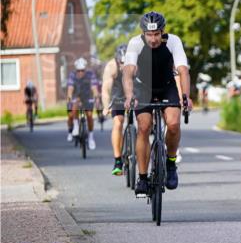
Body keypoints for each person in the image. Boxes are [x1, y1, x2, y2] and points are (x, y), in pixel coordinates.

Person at [122, 12, 192, 196]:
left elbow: (183, 70)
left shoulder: (174, 42)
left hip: (166, 86)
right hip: (143, 87)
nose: (153, 39)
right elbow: (128, 72)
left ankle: (170, 163)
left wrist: (185, 96)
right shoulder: (135, 43)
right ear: (143, 33)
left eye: (156, 34)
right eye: (149, 35)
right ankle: (143, 178)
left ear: (163, 32)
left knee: (174, 124)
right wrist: (129, 95)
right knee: (144, 127)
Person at [102, 44, 129, 175]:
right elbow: (106, 90)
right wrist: (106, 106)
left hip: (134, 90)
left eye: (126, 63)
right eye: (121, 63)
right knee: (118, 122)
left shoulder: (137, 64)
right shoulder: (111, 66)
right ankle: (118, 160)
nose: (124, 66)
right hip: (117, 93)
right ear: (118, 60)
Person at [66, 57, 100, 150]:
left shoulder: (90, 75)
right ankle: (76, 126)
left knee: (89, 115)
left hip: (87, 95)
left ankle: (91, 137)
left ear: (85, 69)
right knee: (74, 106)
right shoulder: (72, 75)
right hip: (76, 95)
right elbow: (70, 88)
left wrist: (96, 96)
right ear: (76, 70)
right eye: (78, 71)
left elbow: (94, 87)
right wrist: (69, 96)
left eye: (82, 70)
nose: (80, 72)